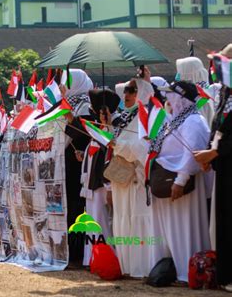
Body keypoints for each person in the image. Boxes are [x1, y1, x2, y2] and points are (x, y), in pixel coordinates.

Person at [149, 81, 211, 283]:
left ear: (182, 98)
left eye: (172, 95)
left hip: (183, 184)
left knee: (186, 228)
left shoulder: (193, 121)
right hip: (168, 180)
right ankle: (175, 269)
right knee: (172, 230)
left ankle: (189, 271)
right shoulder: (175, 120)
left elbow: (193, 153)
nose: (168, 99)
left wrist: (181, 179)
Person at [193, 43, 232, 292]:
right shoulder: (226, 94)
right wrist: (210, 156)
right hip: (224, 167)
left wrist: (215, 152)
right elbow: (218, 126)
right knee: (225, 221)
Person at [108, 77, 153, 278]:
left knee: (137, 221)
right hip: (121, 178)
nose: (126, 95)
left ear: (142, 93)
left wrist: (116, 144)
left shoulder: (147, 118)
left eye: (132, 90)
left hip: (137, 179)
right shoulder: (123, 117)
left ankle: (140, 268)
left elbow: (142, 148)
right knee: (122, 220)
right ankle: (125, 266)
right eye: (125, 90)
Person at [79, 89, 120, 266]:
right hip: (91, 184)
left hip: (102, 184)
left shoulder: (115, 125)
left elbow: (111, 151)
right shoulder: (100, 127)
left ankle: (106, 258)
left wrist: (108, 124)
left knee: (102, 222)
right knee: (92, 222)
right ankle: (92, 258)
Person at [60, 69, 93, 265]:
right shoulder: (69, 104)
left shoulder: (86, 105)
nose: (65, 86)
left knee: (77, 208)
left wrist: (71, 118)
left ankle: (78, 252)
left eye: (68, 82)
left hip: (80, 163)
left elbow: (86, 132)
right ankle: (68, 250)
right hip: (67, 163)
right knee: (68, 207)